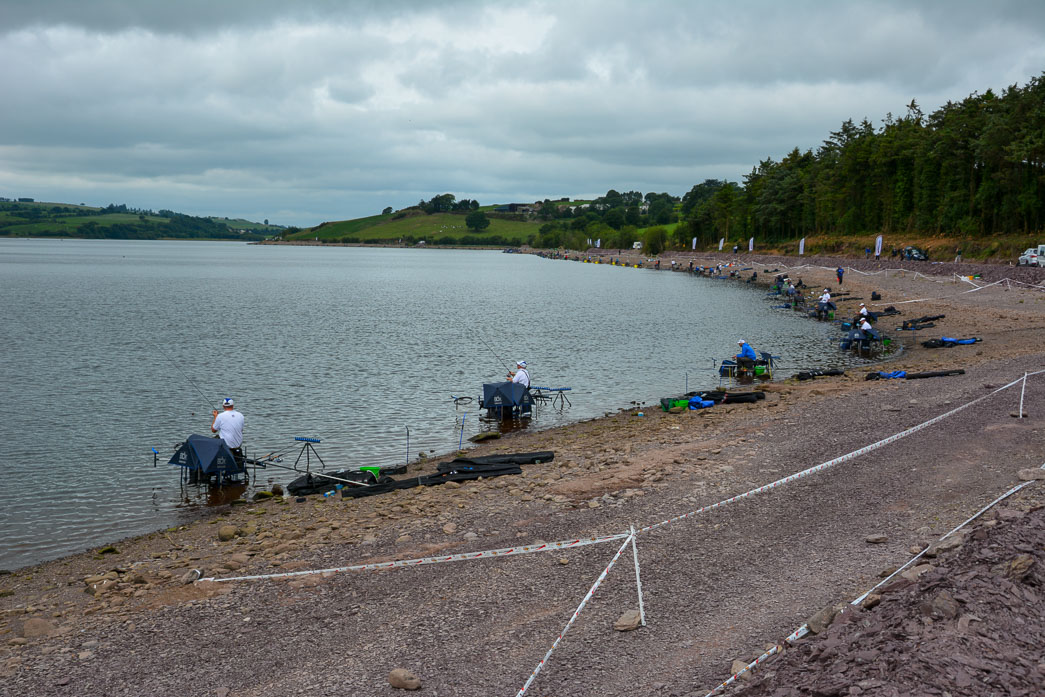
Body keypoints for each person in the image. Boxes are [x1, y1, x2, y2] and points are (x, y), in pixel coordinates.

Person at [211, 397, 244, 464]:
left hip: (226, 446)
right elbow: (241, 430)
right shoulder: (241, 415)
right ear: (233, 406)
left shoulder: (220, 416)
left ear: (223, 406)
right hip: (238, 445)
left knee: (211, 441)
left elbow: (213, 430)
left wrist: (215, 417)